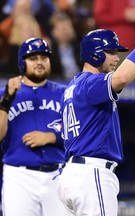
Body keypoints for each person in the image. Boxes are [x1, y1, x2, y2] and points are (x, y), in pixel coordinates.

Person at [56, 6, 135, 216]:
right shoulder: (89, 83)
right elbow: (122, 78)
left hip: (71, 174)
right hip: (91, 173)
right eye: (111, 52)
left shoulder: (72, 86)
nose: (116, 57)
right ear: (95, 55)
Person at [0, 38, 68, 215]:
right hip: (19, 176)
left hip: (58, 173)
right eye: (33, 58)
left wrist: (51, 136)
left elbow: (79, 131)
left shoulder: (65, 93)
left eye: (44, 58)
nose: (39, 62)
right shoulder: (5, 93)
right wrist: (6, 101)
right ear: (22, 62)